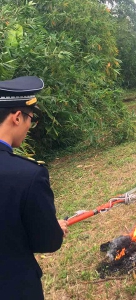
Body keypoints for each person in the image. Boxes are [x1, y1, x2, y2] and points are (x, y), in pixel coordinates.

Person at [0, 76, 68, 299]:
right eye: (30, 118)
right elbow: (48, 240)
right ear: (17, 117)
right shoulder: (28, 175)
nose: (30, 125)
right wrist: (55, 229)